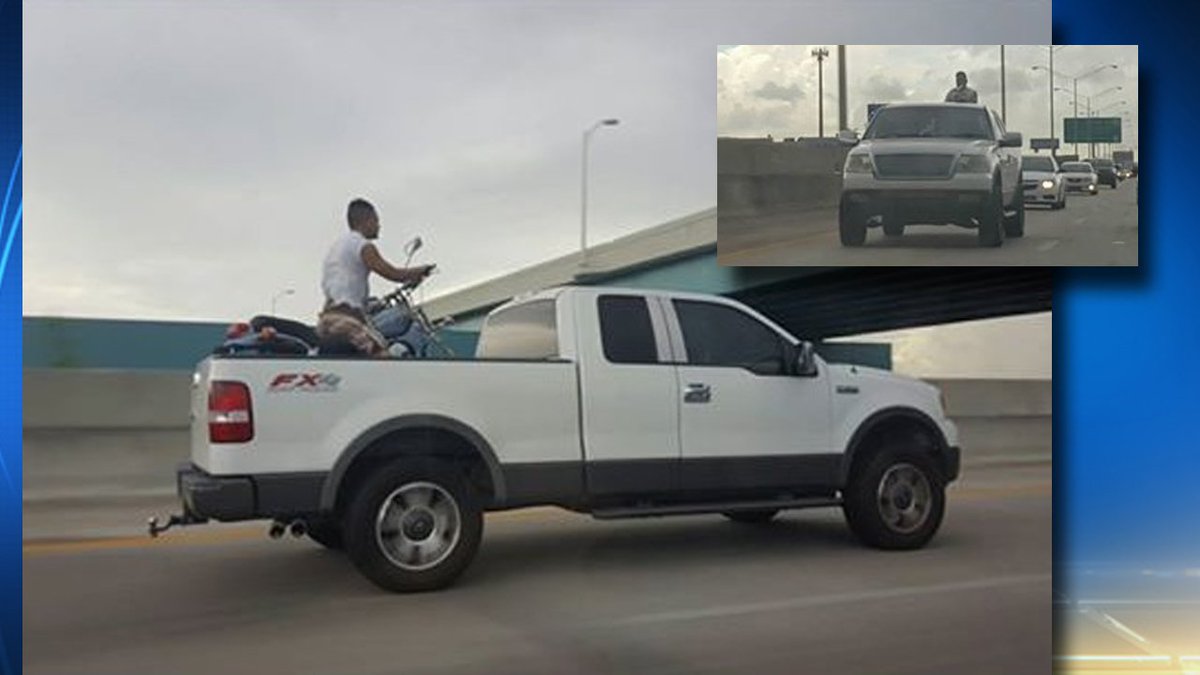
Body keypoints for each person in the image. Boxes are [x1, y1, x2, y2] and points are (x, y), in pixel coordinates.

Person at [316, 198, 434, 356]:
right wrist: (421, 270)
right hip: (347, 319)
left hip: (328, 319)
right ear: (366, 220)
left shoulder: (337, 246)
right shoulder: (363, 246)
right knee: (382, 358)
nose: (379, 226)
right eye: (376, 221)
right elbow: (393, 273)